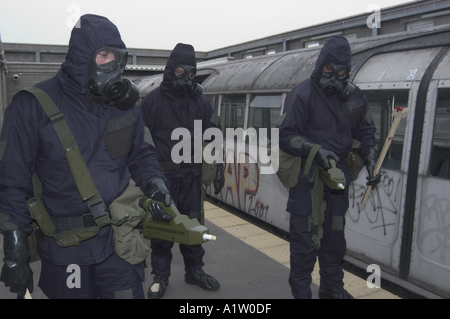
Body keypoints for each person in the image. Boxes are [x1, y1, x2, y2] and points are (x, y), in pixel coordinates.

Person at [0, 14, 173, 299]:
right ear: (83, 56)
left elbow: (141, 156)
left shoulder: (125, 108)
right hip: (65, 246)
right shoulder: (32, 106)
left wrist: (156, 184)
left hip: (119, 239)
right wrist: (15, 247)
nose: (113, 66)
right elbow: (11, 180)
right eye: (103, 56)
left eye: (118, 58)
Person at [278, 36, 381, 299]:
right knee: (304, 243)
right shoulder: (302, 94)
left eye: (341, 71)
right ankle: (302, 293)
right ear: (321, 65)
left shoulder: (355, 97)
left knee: (334, 239)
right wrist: (314, 150)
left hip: (338, 182)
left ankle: (331, 286)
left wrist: (370, 155)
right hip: (307, 182)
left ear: (348, 71)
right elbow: (286, 135)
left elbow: (367, 130)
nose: (334, 76)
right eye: (328, 70)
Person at [140, 43, 224, 299]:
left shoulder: (200, 100)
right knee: (163, 229)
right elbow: (140, 144)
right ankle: (160, 277)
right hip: (163, 179)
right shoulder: (152, 102)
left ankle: (194, 270)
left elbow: (213, 135)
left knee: (195, 227)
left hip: (192, 177)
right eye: (180, 71)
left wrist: (218, 167)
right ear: (169, 70)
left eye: (191, 73)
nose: (186, 78)